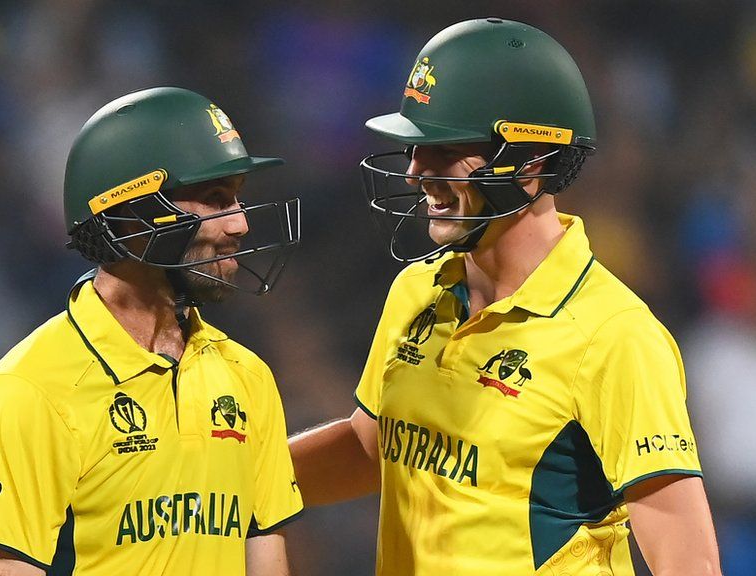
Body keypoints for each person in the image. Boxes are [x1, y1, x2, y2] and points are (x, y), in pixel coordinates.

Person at [289, 18, 721, 576]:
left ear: (532, 161)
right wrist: (229, 478)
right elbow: (373, 449)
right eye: (417, 147)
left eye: (444, 148)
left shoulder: (613, 334)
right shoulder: (417, 290)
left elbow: (689, 563)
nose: (417, 170)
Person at [0, 87, 304, 576]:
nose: (241, 224)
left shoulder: (248, 377)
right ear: (131, 214)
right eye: (215, 200)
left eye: (238, 199)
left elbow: (265, 561)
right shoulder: (27, 392)